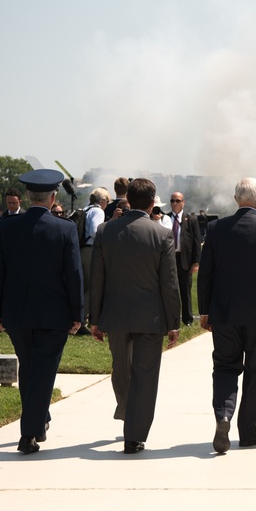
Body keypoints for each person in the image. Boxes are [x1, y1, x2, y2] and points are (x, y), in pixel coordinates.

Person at [0, 169, 84, 454]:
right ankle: (28, 434)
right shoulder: (65, 228)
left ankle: (39, 419)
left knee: (30, 368)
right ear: (53, 196)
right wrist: (78, 312)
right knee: (42, 372)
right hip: (53, 313)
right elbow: (74, 275)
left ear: (28, 196)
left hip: (17, 312)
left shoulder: (7, 227)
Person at [198, 178, 256, 453]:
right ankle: (248, 430)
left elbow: (206, 274)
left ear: (235, 199)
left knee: (225, 367)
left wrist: (205, 310)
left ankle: (224, 415)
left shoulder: (217, 229)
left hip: (225, 312)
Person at [89, 178, 181, 454]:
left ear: (127, 199)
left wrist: (95, 318)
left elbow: (97, 280)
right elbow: (170, 283)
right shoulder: (161, 234)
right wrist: (173, 322)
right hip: (150, 317)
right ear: (153, 202)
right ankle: (135, 433)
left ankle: (128, 414)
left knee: (121, 370)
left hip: (116, 314)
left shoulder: (105, 231)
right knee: (145, 375)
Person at [164, 192, 201, 326]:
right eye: (172, 201)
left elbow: (197, 241)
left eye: (177, 201)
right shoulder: (165, 218)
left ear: (183, 203)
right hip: (169, 258)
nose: (174, 203)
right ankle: (171, 318)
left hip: (184, 259)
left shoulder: (191, 220)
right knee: (170, 289)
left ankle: (187, 319)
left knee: (185, 290)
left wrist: (196, 262)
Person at [80, 187, 109, 333]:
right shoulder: (98, 211)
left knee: (83, 287)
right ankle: (83, 321)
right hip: (91, 250)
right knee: (91, 287)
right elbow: (95, 231)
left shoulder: (86, 209)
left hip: (81, 249)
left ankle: (79, 319)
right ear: (102, 200)